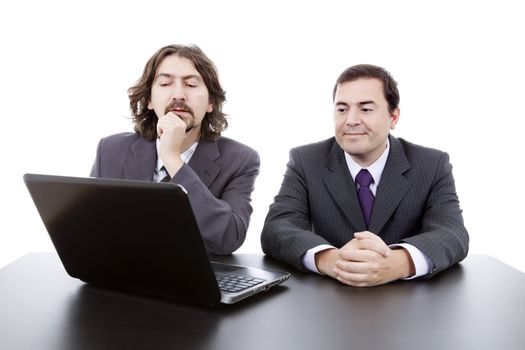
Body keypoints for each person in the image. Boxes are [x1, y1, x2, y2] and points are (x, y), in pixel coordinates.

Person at [261, 64, 468, 286]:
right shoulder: (306, 160)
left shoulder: (431, 164)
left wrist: (398, 263)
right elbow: (278, 228)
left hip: (409, 304)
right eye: (342, 109)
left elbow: (452, 233)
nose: (351, 120)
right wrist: (331, 260)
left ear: (393, 117)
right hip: (328, 302)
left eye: (366, 109)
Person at [90, 44, 259, 255]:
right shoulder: (110, 149)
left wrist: (173, 160)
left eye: (190, 84)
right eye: (165, 83)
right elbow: (89, 230)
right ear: (149, 100)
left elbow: (228, 238)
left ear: (211, 103)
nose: (178, 95)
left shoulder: (240, 159)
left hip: (194, 281)